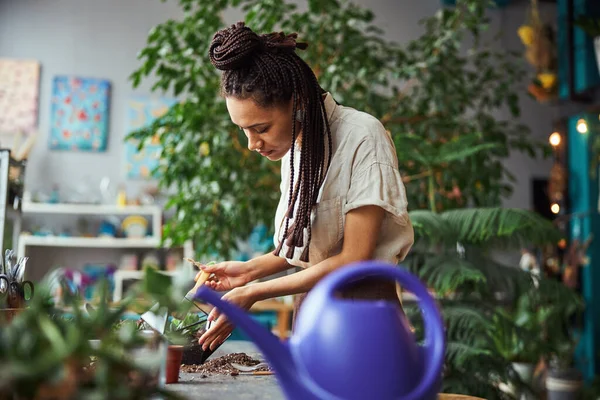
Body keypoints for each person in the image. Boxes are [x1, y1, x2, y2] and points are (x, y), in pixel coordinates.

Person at [197, 22, 414, 351]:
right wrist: (249, 271)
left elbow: (354, 257)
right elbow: (309, 250)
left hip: (363, 318)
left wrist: (255, 292)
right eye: (244, 130)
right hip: (311, 317)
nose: (252, 144)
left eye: (261, 128)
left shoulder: (362, 135)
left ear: (296, 102)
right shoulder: (296, 148)